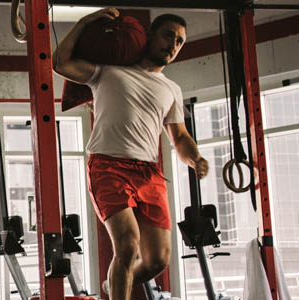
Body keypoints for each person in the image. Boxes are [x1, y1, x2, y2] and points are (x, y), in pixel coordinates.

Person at [53, 8, 209, 300]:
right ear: (149, 36)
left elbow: (180, 137)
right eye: (167, 36)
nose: (172, 45)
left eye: (179, 42)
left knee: (157, 261)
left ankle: (114, 286)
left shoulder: (171, 89)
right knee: (127, 246)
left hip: (149, 173)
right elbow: (60, 62)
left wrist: (195, 159)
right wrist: (84, 22)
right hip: (108, 166)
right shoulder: (108, 71)